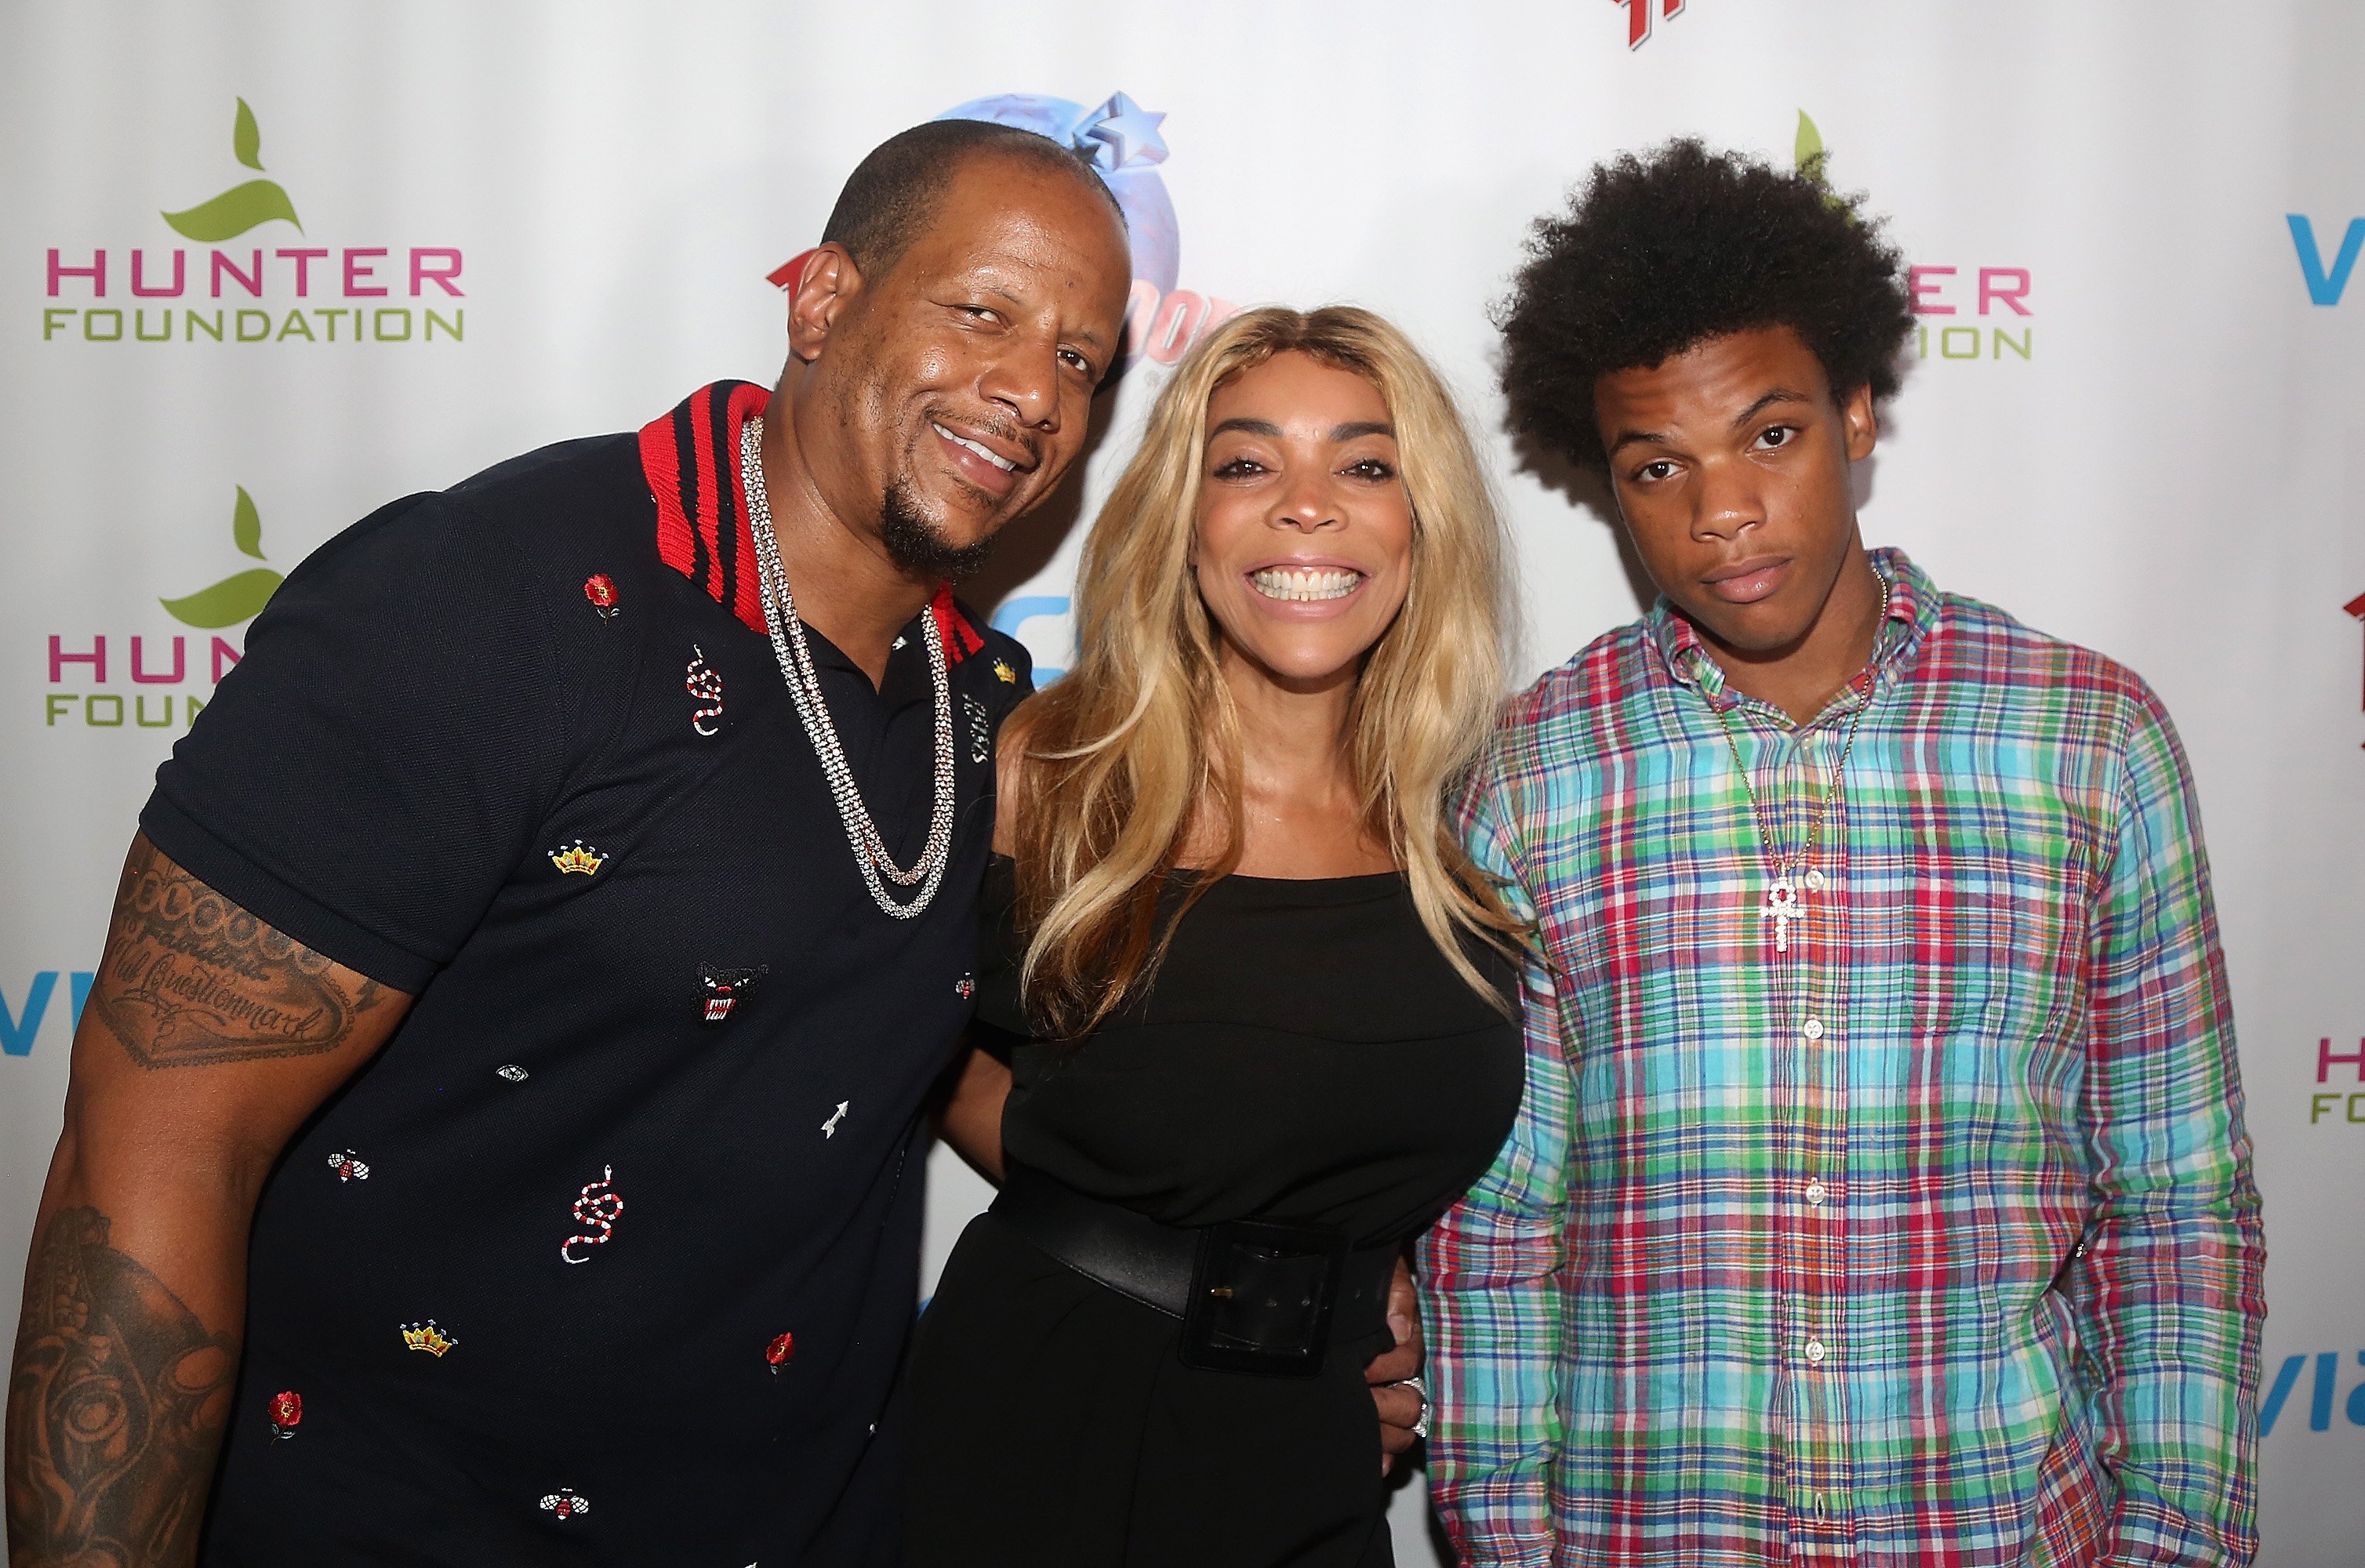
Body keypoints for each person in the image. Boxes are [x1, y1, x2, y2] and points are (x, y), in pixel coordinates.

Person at [11, 118, 1167, 1566]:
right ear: (820, 299)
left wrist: (1273, 1283)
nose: (1029, 392)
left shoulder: (977, 705)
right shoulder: (488, 603)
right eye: (980, 312)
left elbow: (955, 1075)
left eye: (1079, 359)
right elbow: (150, 1160)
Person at [1421, 141, 2264, 1566]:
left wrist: (2175, 1545)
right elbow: (1500, 1244)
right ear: (1611, 481)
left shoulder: (2090, 742)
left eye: (1770, 436)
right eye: (1658, 466)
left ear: (1857, 410)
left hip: (2004, 1528)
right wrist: (1507, 1541)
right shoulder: (1530, 781)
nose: (1723, 512)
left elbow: (2179, 1207)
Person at [899, 306, 1524, 1567]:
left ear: (1424, 522)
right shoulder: (1054, 773)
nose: (1307, 506)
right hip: (1041, 1420)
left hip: (1317, 1442)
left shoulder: (1467, 820)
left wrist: (1347, 1291)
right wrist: (1134, 1228)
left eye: (1365, 464)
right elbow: (909, 1044)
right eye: (1246, 464)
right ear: (1187, 523)